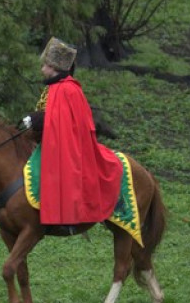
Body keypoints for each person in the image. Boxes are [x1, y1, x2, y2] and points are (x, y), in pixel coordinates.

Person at [20, 37, 122, 229]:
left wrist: (39, 119)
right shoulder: (53, 88)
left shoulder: (68, 89)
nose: (42, 69)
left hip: (67, 146)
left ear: (54, 67)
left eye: (46, 65)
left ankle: (66, 213)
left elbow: (64, 122)